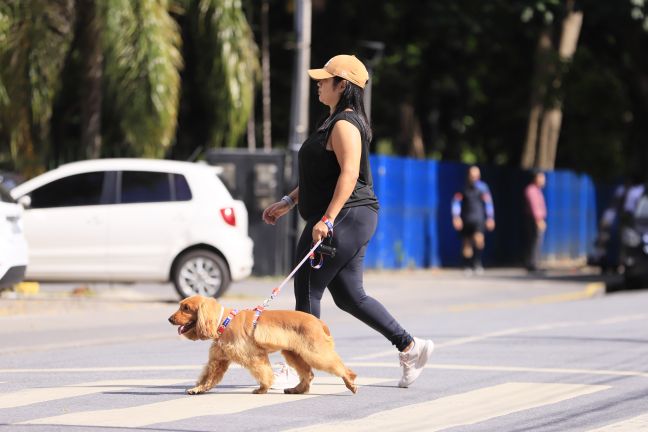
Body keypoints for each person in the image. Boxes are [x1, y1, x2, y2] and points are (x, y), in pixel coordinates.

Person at [262, 54, 434, 388]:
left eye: (325, 80)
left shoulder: (344, 124)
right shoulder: (333, 121)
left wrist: (327, 218)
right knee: (350, 296)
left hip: (347, 215)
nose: (319, 84)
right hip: (349, 217)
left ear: (343, 86)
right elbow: (319, 176)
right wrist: (288, 201)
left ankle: (301, 367)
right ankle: (410, 347)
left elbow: (350, 174)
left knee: (307, 287)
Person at [451, 166, 495, 274]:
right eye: (472, 175)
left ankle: (477, 262)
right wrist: (456, 217)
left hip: (479, 218)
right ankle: (467, 265)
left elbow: (488, 204)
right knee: (466, 243)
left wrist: (490, 218)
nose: (474, 177)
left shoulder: (483, 188)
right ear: (468, 175)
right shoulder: (463, 188)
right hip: (466, 219)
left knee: (479, 240)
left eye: (476, 175)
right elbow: (456, 203)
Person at [524, 170, 547, 273]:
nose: (543, 180)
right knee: (535, 241)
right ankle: (533, 264)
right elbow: (534, 207)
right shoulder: (531, 190)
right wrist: (538, 220)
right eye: (541, 177)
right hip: (534, 219)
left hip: (536, 219)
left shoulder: (538, 190)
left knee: (537, 241)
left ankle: (534, 262)